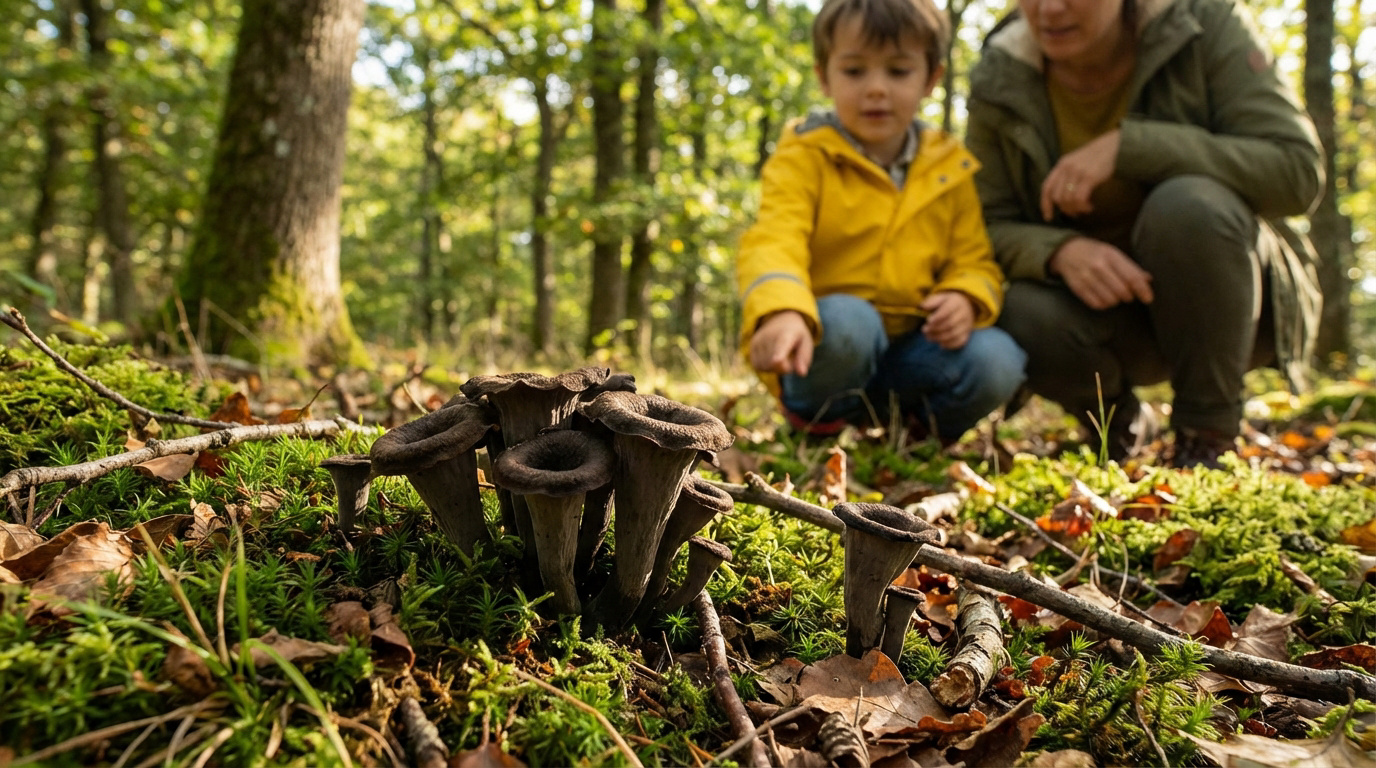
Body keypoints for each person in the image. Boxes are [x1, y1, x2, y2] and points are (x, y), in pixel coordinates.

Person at [965, 0, 1324, 467]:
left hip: (1235, 300)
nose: (1049, 9)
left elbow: (1297, 173)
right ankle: (1116, 424)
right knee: (1019, 309)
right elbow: (984, 224)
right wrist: (1059, 251)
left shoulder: (1203, 23)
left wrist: (1133, 147)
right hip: (1106, 316)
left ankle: (1206, 436)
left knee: (1188, 206)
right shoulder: (1002, 69)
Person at [736, 0, 1026, 446]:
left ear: (931, 79)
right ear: (824, 76)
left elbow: (975, 259)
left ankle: (908, 442)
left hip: (912, 354)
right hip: (827, 349)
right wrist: (781, 307)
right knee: (852, 321)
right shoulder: (805, 155)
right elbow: (774, 238)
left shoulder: (949, 168)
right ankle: (815, 429)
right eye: (854, 71)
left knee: (997, 358)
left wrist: (965, 297)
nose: (876, 89)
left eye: (897, 71)